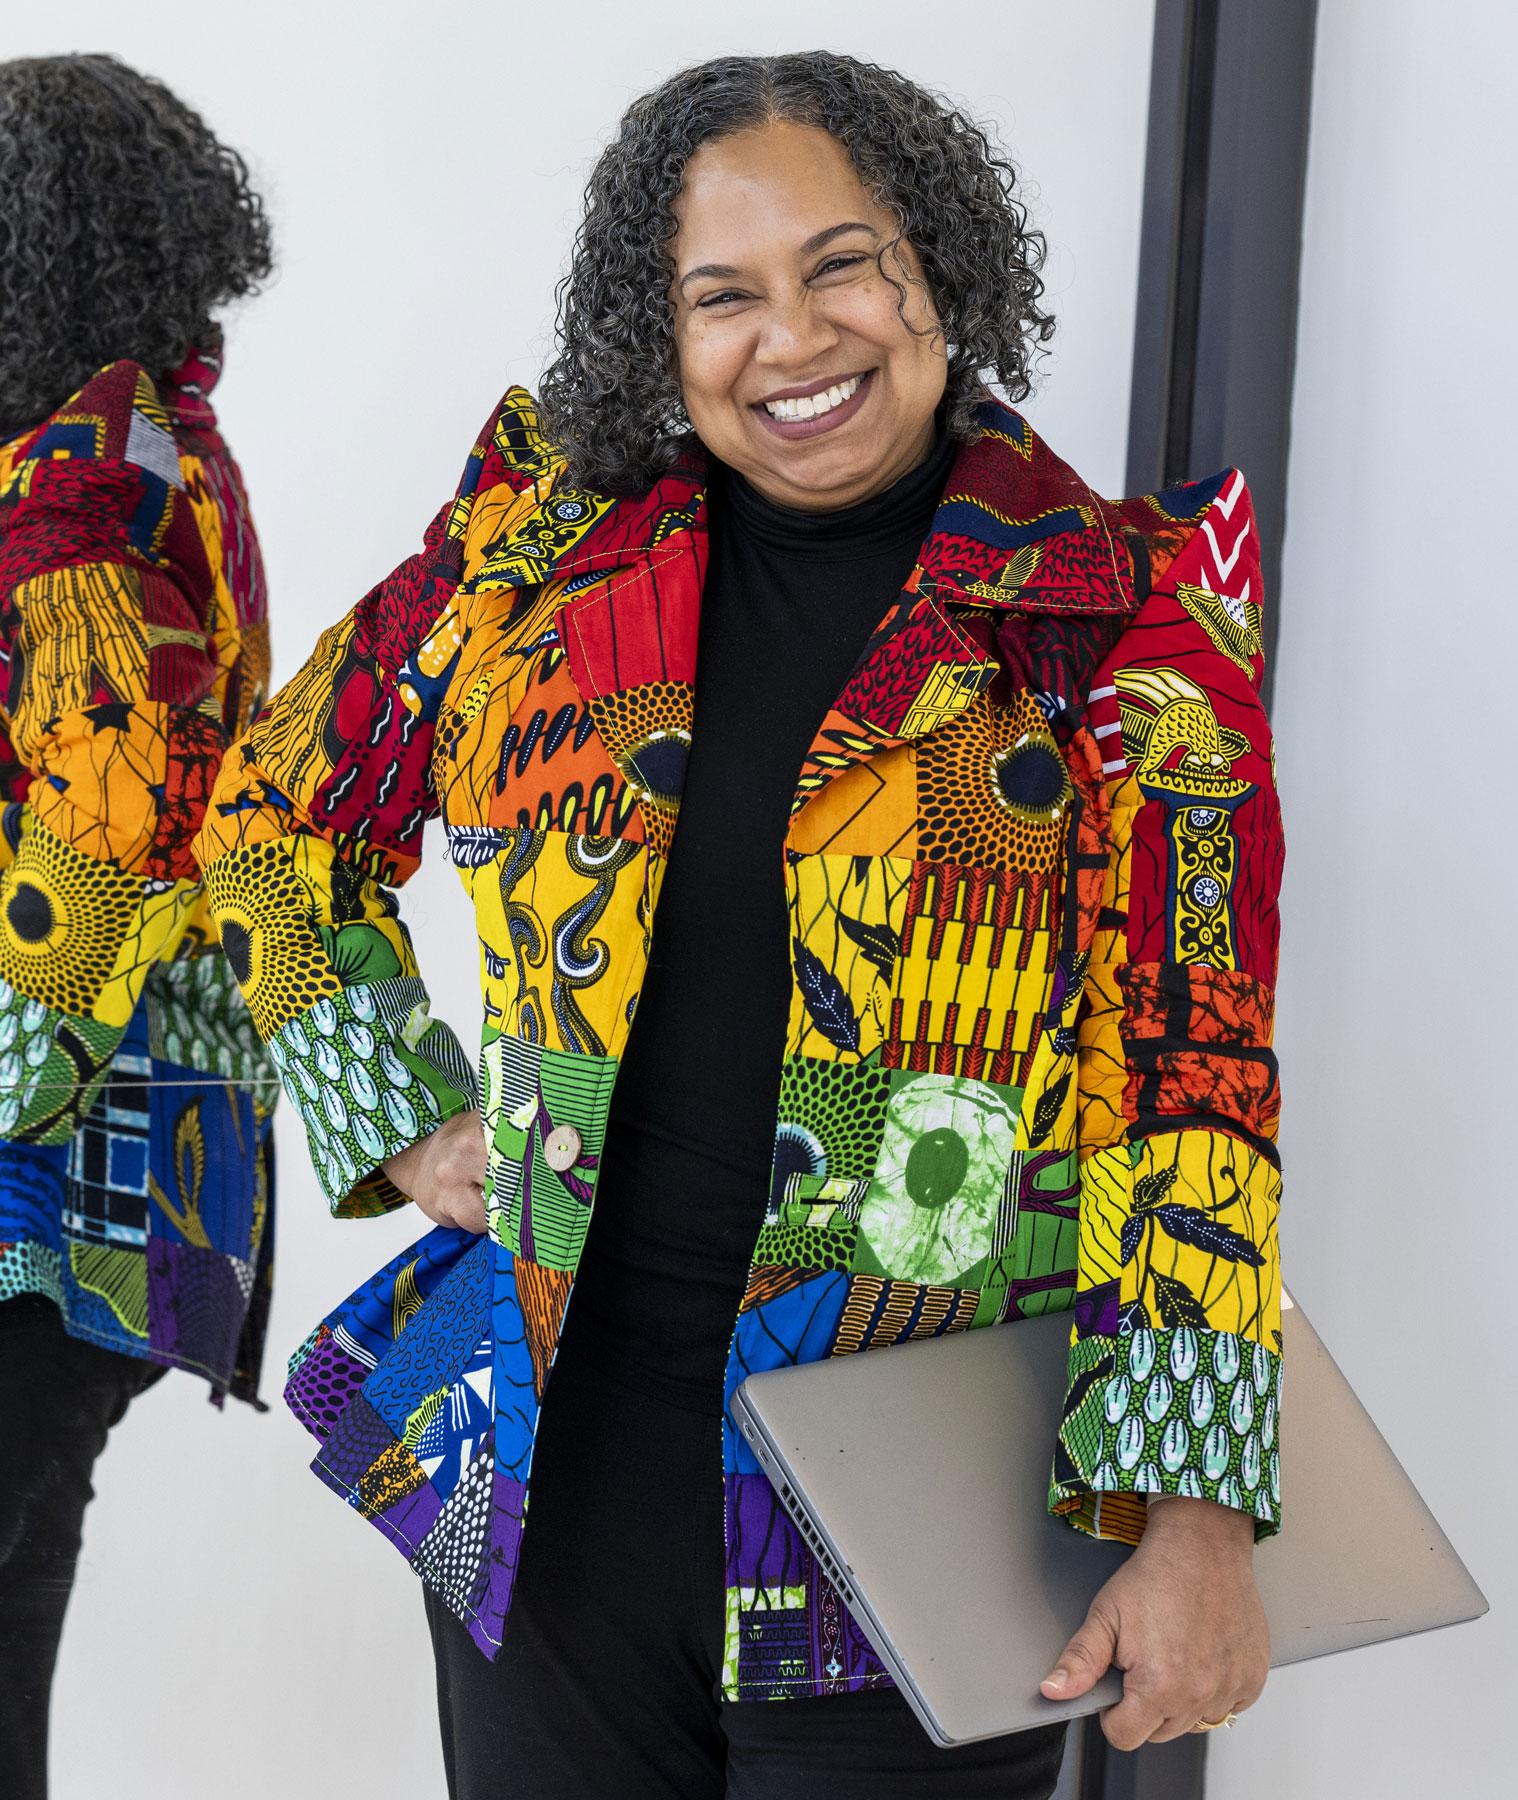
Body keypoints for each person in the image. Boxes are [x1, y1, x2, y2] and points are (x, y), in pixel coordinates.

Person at [198, 51, 1283, 1800]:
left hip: (923, 1494)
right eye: (724, 296)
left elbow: (1193, 1069)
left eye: (843, 265)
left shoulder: (1121, 618)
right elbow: (272, 816)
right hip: (552, 1479)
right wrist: (394, 1107)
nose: (792, 337)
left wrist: (1196, 1518)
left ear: (936, 271)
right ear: (663, 331)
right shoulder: (536, 558)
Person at [0, 54, 277, 1796]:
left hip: (46, 1171)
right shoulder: (159, 445)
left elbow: (103, 830)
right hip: (144, 1161)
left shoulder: (81, 489)